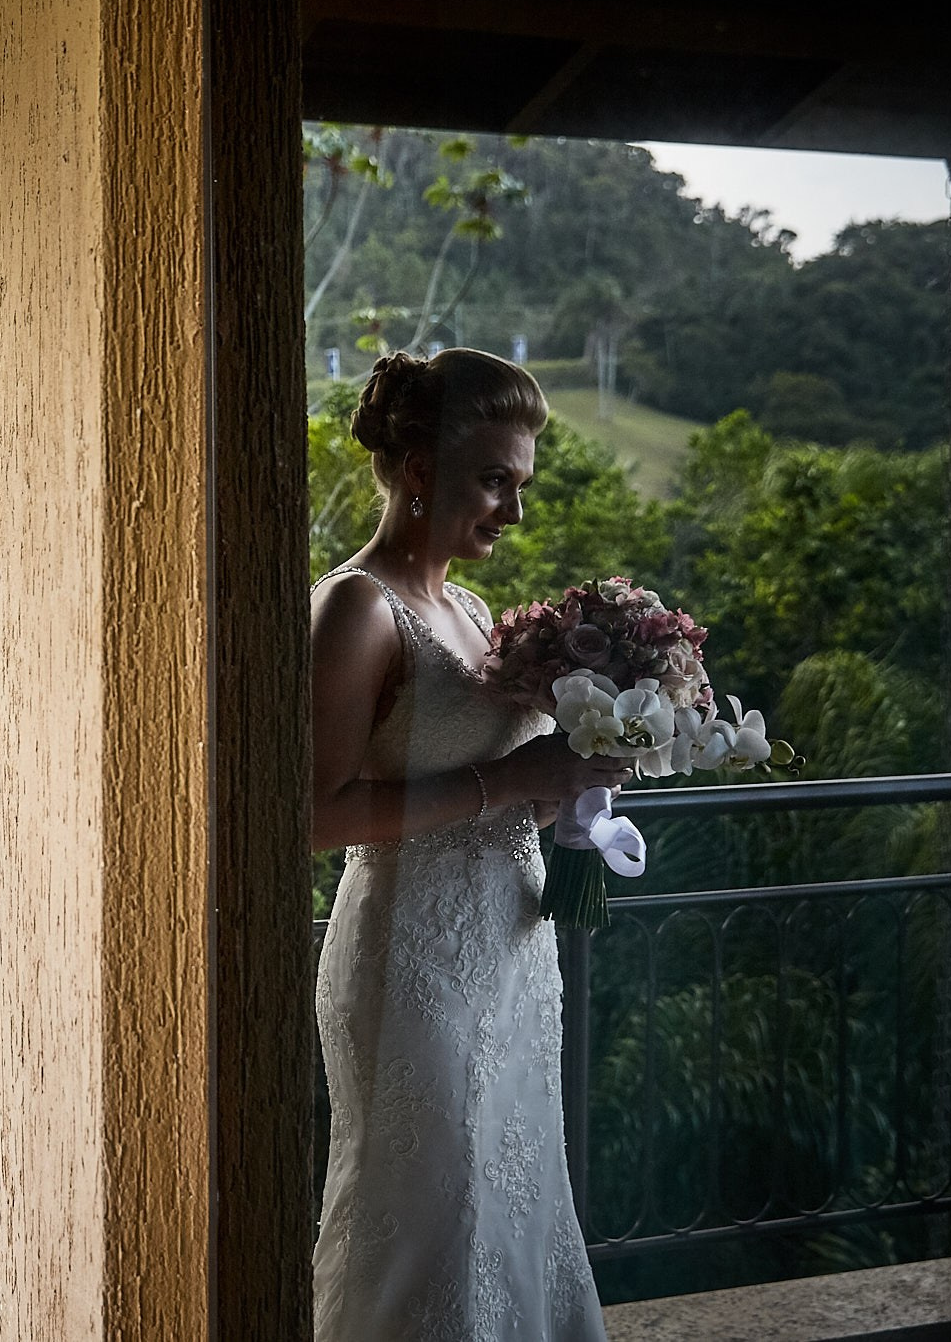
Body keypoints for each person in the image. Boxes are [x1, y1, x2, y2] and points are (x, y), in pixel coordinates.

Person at [309, 347, 624, 1340]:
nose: (512, 510)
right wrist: (507, 782)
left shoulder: (473, 611)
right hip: (409, 962)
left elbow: (492, 801)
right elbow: (308, 816)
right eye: (494, 479)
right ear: (416, 470)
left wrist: (575, 775)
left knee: (507, 1204)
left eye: (517, 484)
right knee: (428, 1223)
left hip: (506, 953)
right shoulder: (357, 607)